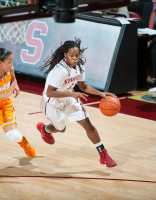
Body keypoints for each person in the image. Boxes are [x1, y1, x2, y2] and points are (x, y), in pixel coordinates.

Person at [36, 38, 117, 168]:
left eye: (77, 55)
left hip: (68, 98)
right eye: (71, 56)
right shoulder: (60, 70)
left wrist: (101, 94)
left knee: (88, 125)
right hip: (51, 102)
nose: (75, 58)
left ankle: (103, 154)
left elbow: (83, 87)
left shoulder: (79, 66)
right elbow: (50, 92)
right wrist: (71, 93)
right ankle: (44, 129)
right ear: (65, 55)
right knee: (61, 129)